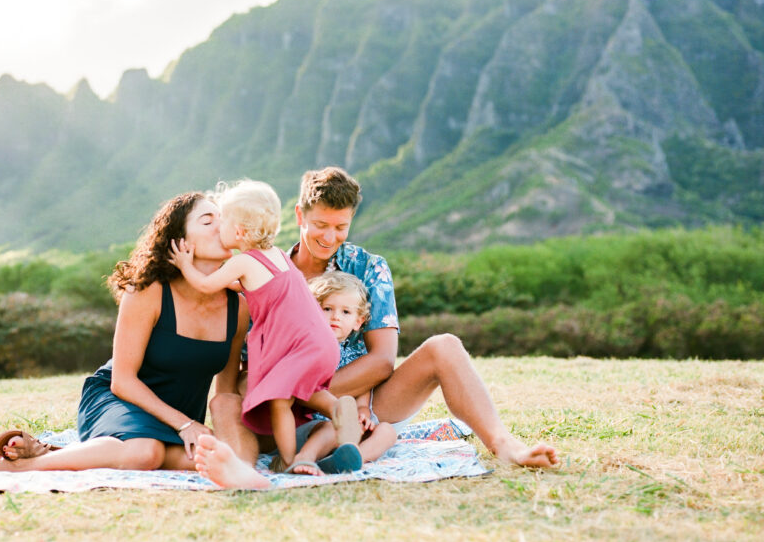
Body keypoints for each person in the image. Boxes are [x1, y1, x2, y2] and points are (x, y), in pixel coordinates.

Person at [197, 167, 558, 489]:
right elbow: (233, 368)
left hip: (358, 401)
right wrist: (260, 397)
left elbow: (383, 362)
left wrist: (340, 399)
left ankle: (504, 444)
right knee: (230, 397)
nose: (329, 237)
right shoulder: (257, 269)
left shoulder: (369, 267)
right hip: (280, 407)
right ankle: (245, 470)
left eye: (341, 227)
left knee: (444, 345)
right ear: (299, 215)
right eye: (320, 225)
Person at [0, 192, 249, 474]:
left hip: (180, 418)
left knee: (205, 462)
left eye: (222, 219)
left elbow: (225, 391)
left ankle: (63, 454)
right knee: (145, 452)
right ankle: (18, 466)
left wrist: (214, 435)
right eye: (208, 220)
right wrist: (185, 425)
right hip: (120, 401)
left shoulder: (238, 308)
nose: (221, 226)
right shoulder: (149, 291)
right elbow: (122, 381)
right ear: (180, 241)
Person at [168, 179, 359, 472]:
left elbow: (207, 285)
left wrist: (184, 265)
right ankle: (336, 407)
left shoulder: (243, 261)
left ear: (240, 231)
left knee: (280, 401)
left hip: (299, 347)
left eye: (224, 223)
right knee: (302, 390)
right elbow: (254, 288)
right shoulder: (280, 257)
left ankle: (289, 459)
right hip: (322, 344)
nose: (219, 229)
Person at [288, 272, 397, 474]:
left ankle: (354, 457)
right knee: (330, 427)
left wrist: (363, 413)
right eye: (327, 309)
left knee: (387, 431)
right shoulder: (307, 347)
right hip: (315, 426)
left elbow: (362, 393)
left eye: (346, 312)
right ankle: (305, 458)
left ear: (358, 321)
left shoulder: (358, 354)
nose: (336, 316)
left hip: (348, 430)